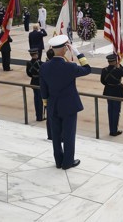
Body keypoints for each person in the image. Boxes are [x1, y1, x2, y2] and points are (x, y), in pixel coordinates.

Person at [39, 35, 91, 170]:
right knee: (68, 135)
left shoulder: (44, 67)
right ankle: (67, 162)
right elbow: (87, 69)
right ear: (64, 49)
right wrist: (78, 53)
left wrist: (47, 105)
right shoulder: (70, 67)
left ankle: (58, 161)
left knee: (55, 135)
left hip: (52, 106)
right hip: (68, 106)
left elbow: (43, 90)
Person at [101, 54, 123, 136]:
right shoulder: (118, 70)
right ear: (115, 61)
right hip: (117, 92)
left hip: (108, 91)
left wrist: (109, 84)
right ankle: (114, 131)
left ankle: (111, 129)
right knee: (116, 111)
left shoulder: (104, 70)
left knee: (110, 111)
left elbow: (103, 81)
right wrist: (120, 65)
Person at [26, 48, 44, 121]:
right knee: (40, 100)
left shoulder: (28, 63)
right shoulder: (41, 63)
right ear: (36, 54)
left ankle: (38, 116)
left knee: (36, 99)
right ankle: (40, 117)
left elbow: (28, 73)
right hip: (40, 83)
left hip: (33, 82)